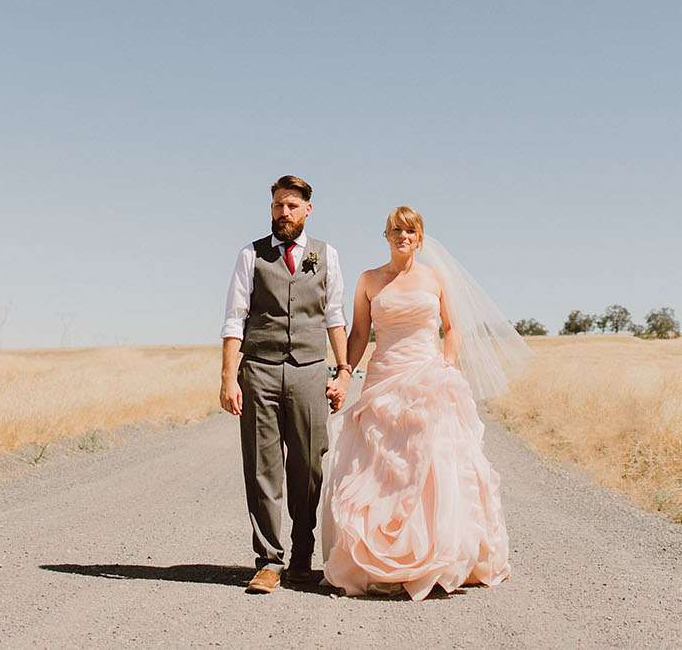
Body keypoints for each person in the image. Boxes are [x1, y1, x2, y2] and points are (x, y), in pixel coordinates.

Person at [320, 206, 531, 599]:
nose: (403, 236)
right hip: (385, 377)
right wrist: (345, 372)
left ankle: (440, 554)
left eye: (411, 231)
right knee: (382, 466)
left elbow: (451, 328)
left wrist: (446, 365)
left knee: (432, 464)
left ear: (419, 237)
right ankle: (380, 558)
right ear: (385, 235)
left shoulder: (435, 279)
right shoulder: (368, 280)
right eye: (396, 230)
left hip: (428, 376)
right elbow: (361, 334)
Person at [219, 176, 351, 593]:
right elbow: (234, 316)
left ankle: (301, 557)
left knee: (309, 466)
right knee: (262, 467)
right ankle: (268, 561)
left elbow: (335, 316)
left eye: (291, 206)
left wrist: (344, 370)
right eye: (278, 205)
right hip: (258, 369)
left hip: (311, 370)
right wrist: (228, 377)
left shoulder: (326, 255)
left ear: (307, 210)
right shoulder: (250, 254)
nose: (283, 213)